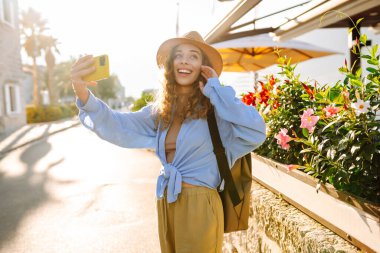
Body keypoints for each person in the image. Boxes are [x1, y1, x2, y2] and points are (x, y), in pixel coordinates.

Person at [71, 31, 266, 253]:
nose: (184, 60)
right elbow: (118, 125)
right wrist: (83, 93)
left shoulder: (218, 110)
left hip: (200, 205)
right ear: (171, 64)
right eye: (179, 55)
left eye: (193, 56)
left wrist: (216, 89)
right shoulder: (162, 112)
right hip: (167, 200)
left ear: (203, 67)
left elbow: (256, 129)